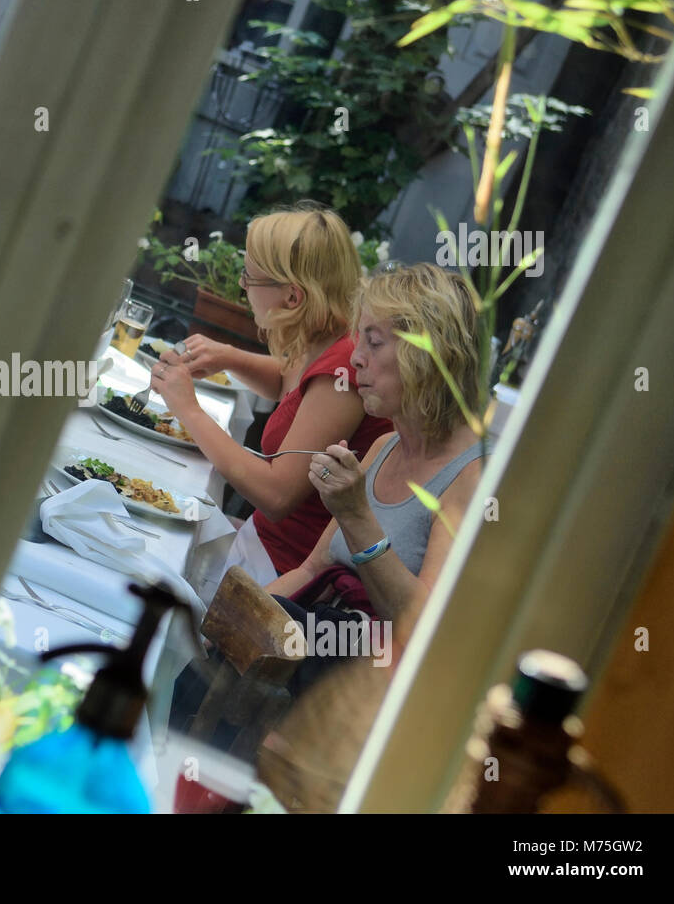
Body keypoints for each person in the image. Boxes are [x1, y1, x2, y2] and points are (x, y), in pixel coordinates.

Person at [151, 205, 392, 596]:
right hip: (261, 547)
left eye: (249, 278)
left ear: (293, 296)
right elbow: (292, 384)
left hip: (278, 578)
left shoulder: (344, 370)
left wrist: (188, 410)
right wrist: (228, 357)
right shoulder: (327, 335)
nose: (242, 287)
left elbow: (277, 495)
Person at [266, 261, 489, 683]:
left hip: (362, 697)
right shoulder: (385, 446)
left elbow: (422, 625)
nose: (355, 359)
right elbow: (311, 570)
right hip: (311, 663)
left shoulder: (472, 477)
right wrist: (229, 615)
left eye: (374, 343)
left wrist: (356, 516)